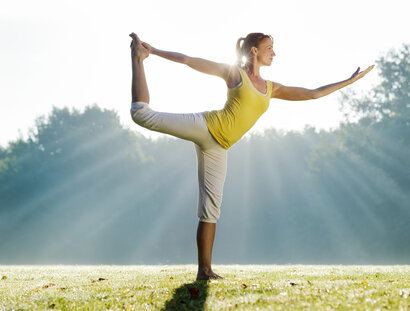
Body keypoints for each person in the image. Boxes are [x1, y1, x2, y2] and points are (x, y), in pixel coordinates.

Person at [129, 32, 374, 280]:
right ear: (254, 51)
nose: (274, 53)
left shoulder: (271, 88)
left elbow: (313, 93)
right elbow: (187, 60)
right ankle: (137, 58)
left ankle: (205, 271)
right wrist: (153, 51)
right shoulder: (235, 74)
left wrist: (349, 81)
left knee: (211, 210)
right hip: (207, 126)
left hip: (219, 148)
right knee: (141, 115)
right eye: (269, 48)